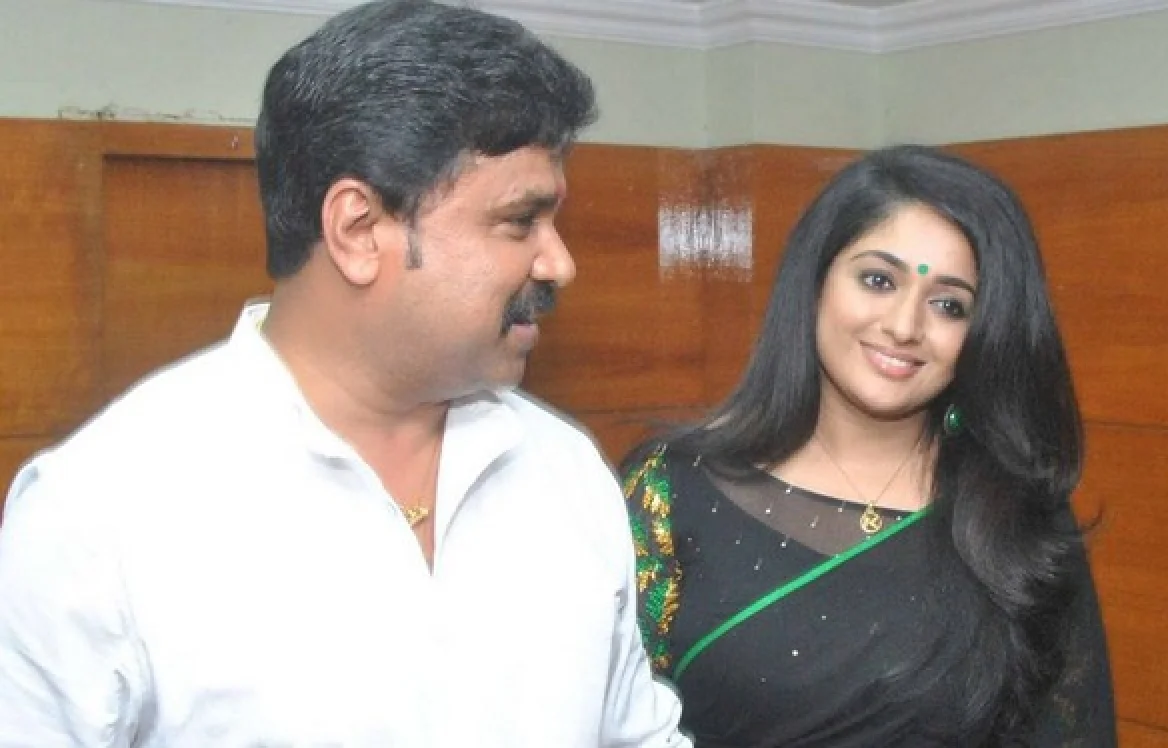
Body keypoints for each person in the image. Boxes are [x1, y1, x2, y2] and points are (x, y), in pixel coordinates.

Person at [0, 2, 690, 745]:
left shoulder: (564, 471)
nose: (559, 263)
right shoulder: (100, 514)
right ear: (358, 230)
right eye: (520, 221)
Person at [622, 145, 1116, 746]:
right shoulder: (672, 491)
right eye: (878, 280)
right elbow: (604, 715)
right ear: (815, 282)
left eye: (949, 305)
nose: (905, 326)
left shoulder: (1013, 516)